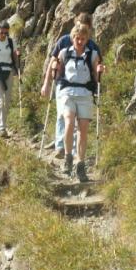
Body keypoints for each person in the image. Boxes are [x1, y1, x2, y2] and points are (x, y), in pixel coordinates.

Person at [41, 24, 104, 182]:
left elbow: (96, 78)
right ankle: (68, 157)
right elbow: (57, 73)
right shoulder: (64, 52)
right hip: (67, 92)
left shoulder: (93, 54)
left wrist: (100, 71)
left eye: (83, 39)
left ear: (87, 39)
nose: (80, 42)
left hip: (85, 94)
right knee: (69, 122)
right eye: (77, 38)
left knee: (83, 130)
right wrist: (54, 69)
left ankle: (80, 164)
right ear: (73, 38)